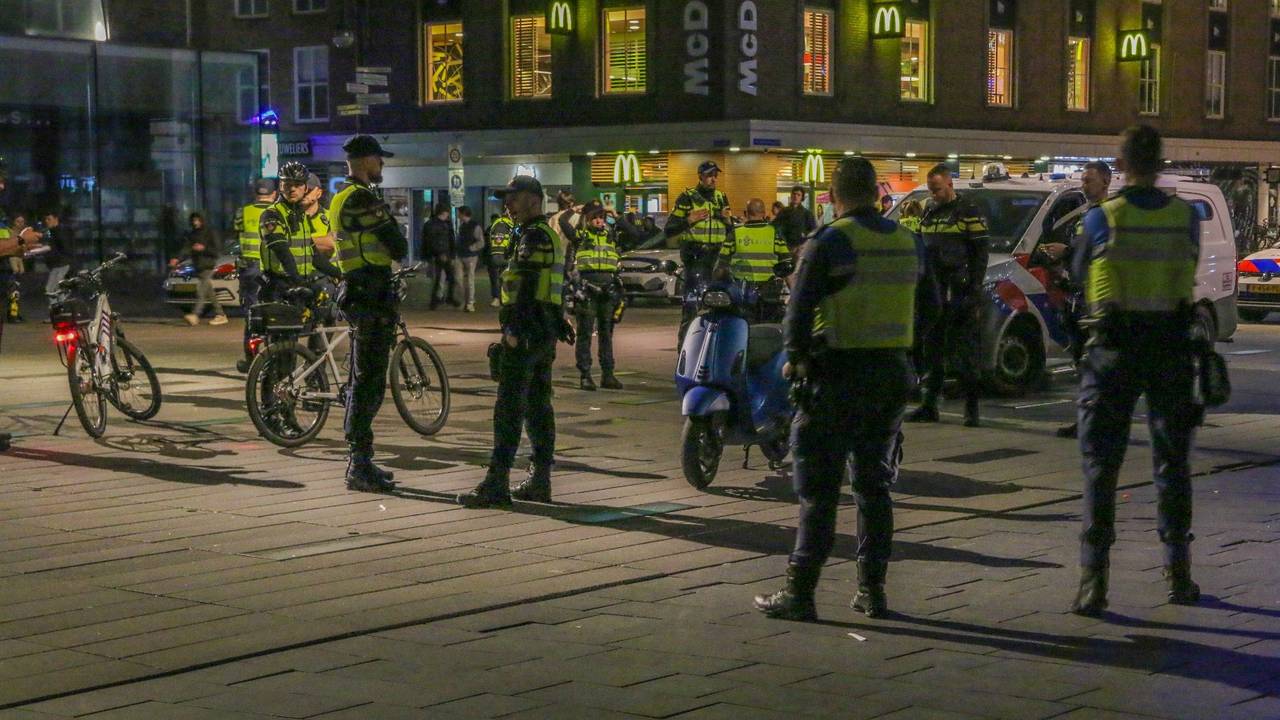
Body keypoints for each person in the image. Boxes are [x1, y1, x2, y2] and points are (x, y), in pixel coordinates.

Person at [754, 158, 939, 622]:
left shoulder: (830, 241)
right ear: (878, 194)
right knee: (873, 488)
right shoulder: (909, 242)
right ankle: (872, 592)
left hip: (834, 376)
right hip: (889, 376)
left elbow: (797, 313)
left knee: (818, 492)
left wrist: (796, 359)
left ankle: (801, 592)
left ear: (834, 197)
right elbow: (932, 310)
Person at [1070, 126, 1203, 616]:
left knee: (1102, 467)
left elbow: (1081, 272)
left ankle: (1094, 582)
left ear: (1120, 166)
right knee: (1172, 464)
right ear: (1161, 162)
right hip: (1170, 348)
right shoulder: (1185, 217)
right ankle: (1179, 574)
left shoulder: (1103, 218)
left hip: (1113, 351)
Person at [459, 175, 569, 508]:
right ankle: (540, 480)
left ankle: (497, 482)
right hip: (543, 329)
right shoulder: (541, 233)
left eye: (514, 198)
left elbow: (526, 286)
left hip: (526, 331)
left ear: (534, 199)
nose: (507, 204)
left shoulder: (534, 236)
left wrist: (512, 331)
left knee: (508, 408)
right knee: (537, 406)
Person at [329, 135, 407, 493]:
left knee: (366, 380)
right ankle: (358, 464)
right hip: (369, 292)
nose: (383, 165)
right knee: (368, 382)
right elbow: (397, 242)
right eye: (379, 160)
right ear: (364, 162)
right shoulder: (360, 197)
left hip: (362, 290)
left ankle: (362, 460)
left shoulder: (341, 196)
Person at [909, 164, 990, 427]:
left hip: (960, 288)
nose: (934, 194)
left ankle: (972, 409)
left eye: (938, 189)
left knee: (965, 350)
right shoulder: (930, 211)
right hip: (933, 289)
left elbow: (980, 253)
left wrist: (975, 290)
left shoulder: (968, 211)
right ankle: (929, 404)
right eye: (931, 190)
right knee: (931, 347)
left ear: (950, 184)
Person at [1039, 160, 1112, 439]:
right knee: (1082, 364)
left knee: (1093, 366)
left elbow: (1097, 253)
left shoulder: (1106, 214)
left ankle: (1094, 422)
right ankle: (1086, 419)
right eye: (1082, 180)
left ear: (1105, 182)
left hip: (1096, 302)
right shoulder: (1087, 214)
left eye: (1088, 180)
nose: (1083, 185)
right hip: (1080, 298)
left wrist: (1066, 251)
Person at [666, 160, 732, 343]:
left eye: (715, 175)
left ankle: (716, 346)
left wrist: (728, 221)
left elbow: (730, 231)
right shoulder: (687, 197)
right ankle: (685, 349)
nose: (713, 179)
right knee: (692, 305)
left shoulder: (721, 197)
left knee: (723, 304)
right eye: (710, 175)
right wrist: (688, 220)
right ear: (700, 176)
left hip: (718, 259)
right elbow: (669, 228)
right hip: (697, 258)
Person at [572, 200, 624, 392]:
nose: (599, 221)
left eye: (601, 217)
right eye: (595, 217)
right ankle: (585, 375)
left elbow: (635, 233)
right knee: (585, 333)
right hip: (588, 289)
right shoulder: (581, 235)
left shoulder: (610, 235)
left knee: (606, 334)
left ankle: (608, 374)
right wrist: (574, 210)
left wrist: (614, 214)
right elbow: (563, 224)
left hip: (608, 289)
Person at [719, 198, 791, 321]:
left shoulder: (735, 234)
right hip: (770, 294)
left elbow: (721, 266)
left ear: (745, 213)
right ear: (764, 213)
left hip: (741, 293)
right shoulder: (775, 234)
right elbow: (787, 265)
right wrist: (794, 292)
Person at [234, 178, 277, 372]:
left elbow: (236, 229)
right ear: (274, 194)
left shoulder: (243, 212)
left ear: (255, 194)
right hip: (271, 267)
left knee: (252, 314)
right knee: (273, 313)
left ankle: (250, 360)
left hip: (249, 268)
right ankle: (272, 357)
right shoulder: (277, 212)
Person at [257, 162, 316, 302]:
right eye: (287, 184)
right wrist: (298, 281)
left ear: (305, 187)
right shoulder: (272, 214)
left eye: (298, 184)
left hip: (299, 286)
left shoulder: (302, 216)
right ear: (280, 186)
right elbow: (281, 250)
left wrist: (338, 274)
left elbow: (315, 254)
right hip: (279, 288)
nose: (292, 189)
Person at [175, 212, 227, 326]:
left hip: (208, 265)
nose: (195, 223)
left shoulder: (210, 232)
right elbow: (186, 248)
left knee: (201, 290)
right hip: (198, 265)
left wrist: (203, 248)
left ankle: (195, 314)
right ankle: (220, 314)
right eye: (194, 221)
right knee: (209, 291)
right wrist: (177, 259)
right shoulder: (192, 234)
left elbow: (217, 251)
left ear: (202, 220)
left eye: (197, 220)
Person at [423, 203, 457, 309]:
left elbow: (450, 240)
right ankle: (436, 300)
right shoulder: (436, 225)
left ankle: (442, 299)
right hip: (438, 255)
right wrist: (441, 253)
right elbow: (432, 241)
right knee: (438, 279)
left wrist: (451, 254)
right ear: (444, 212)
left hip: (443, 254)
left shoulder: (440, 224)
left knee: (445, 278)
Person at [456, 206, 485, 312]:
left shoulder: (475, 226)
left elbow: (481, 242)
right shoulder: (462, 225)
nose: (458, 215)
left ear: (464, 214)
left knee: (469, 279)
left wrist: (472, 248)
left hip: (471, 256)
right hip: (460, 254)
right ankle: (465, 300)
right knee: (459, 279)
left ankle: (470, 302)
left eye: (459, 213)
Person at [773, 185, 818, 253]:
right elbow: (776, 226)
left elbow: (814, 231)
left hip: (800, 248)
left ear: (802, 197)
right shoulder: (784, 212)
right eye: (794, 194)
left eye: (798, 195)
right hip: (784, 247)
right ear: (791, 195)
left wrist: (804, 235)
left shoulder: (807, 213)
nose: (796, 196)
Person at [486, 209, 515, 308]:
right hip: (505, 256)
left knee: (495, 279)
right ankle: (503, 299)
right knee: (505, 278)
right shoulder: (510, 226)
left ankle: (497, 299)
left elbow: (489, 241)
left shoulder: (494, 226)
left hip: (493, 255)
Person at [41, 210, 74, 296]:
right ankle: (60, 308)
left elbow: (64, 248)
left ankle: (60, 308)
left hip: (61, 264)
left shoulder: (59, 232)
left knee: (52, 289)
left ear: (56, 219)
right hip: (58, 264)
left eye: (49, 219)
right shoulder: (53, 232)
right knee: (55, 289)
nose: (47, 221)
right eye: (46, 219)